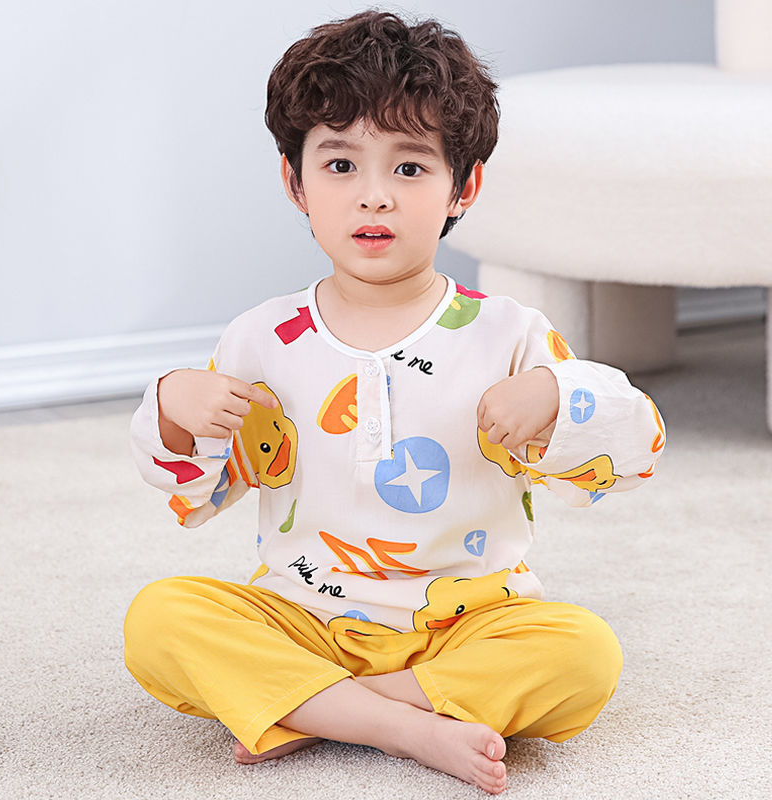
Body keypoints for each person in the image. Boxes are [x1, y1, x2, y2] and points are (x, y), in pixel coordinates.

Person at [125, 10, 665, 795]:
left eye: (409, 168)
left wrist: (558, 396)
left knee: (583, 655)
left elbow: (632, 455)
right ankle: (405, 726)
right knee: (159, 619)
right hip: (301, 619)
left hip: (467, 623)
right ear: (296, 183)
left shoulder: (509, 332)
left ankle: (313, 710)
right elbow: (198, 490)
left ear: (463, 187)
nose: (373, 197)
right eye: (341, 165)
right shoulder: (262, 337)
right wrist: (174, 406)